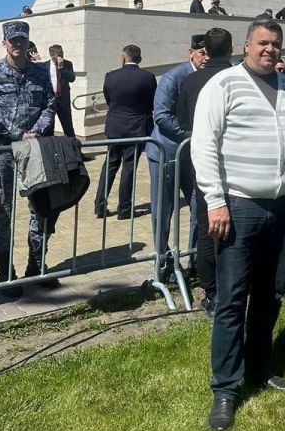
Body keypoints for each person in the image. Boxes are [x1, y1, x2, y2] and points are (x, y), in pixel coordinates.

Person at [190, 20, 285, 431]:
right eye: (263, 43)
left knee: (271, 292)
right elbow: (204, 145)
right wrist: (215, 201)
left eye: (276, 44)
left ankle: (258, 367)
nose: (270, 50)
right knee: (232, 299)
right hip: (237, 206)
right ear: (246, 45)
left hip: (281, 207)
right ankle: (225, 388)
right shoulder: (222, 85)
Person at [0, 21, 58, 296]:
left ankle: (36, 266)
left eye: (22, 40)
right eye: (13, 41)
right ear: (5, 43)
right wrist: (17, 134)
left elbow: (49, 105)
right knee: (1, 213)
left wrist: (38, 130)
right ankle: (5, 271)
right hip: (1, 153)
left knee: (42, 208)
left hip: (36, 151)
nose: (18, 45)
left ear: (28, 42)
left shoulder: (40, 73)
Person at [177, 28, 234, 316]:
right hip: (234, 165)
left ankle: (211, 291)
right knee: (233, 229)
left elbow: (183, 120)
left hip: (202, 164)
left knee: (206, 226)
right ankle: (230, 285)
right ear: (232, 48)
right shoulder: (239, 79)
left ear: (205, 51)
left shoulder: (190, 81)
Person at [145, 35, 209, 270]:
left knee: (198, 206)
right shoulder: (174, 77)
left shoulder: (210, 76)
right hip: (166, 152)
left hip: (193, 155)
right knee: (163, 210)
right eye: (201, 52)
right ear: (190, 52)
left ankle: (195, 257)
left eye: (209, 52)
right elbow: (161, 116)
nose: (206, 57)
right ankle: (163, 262)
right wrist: (192, 134)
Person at [94, 45, 157, 219]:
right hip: (137, 128)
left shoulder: (111, 76)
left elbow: (109, 100)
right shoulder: (148, 77)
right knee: (129, 167)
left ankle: (100, 204)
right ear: (140, 59)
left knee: (110, 164)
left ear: (123, 58)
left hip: (115, 127)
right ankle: (124, 208)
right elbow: (152, 102)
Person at [48, 44, 76, 138]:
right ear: (51, 55)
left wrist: (61, 68)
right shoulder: (46, 66)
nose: (61, 57)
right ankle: (51, 149)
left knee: (68, 125)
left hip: (63, 98)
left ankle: (74, 149)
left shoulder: (67, 64)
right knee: (49, 126)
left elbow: (72, 78)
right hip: (51, 99)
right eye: (58, 55)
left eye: (62, 54)